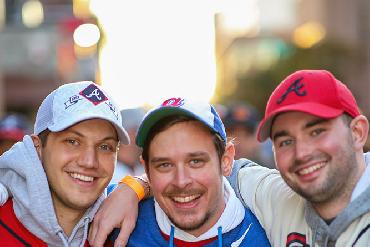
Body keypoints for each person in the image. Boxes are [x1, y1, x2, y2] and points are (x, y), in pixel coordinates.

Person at [88, 69, 370, 247]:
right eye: (285, 140)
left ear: (358, 132)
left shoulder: (259, 221)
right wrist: (134, 187)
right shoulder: (273, 195)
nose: (302, 153)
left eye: (317, 131)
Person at [109, 97, 270, 246]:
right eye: (164, 165)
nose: (181, 181)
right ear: (147, 169)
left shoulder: (269, 233)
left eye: (196, 161)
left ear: (226, 161)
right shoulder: (112, 218)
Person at [0, 81, 130, 246]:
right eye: (73, 141)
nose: (89, 161)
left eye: (105, 146)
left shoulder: (123, 231)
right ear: (37, 147)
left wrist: (139, 187)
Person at [223, 101, 275, 168]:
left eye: (246, 135)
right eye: (232, 133)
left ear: (256, 140)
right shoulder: (214, 169)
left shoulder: (268, 174)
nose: (239, 140)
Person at [109, 107, 146, 185]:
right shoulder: (109, 174)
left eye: (139, 132)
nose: (135, 139)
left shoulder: (142, 170)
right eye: (132, 131)